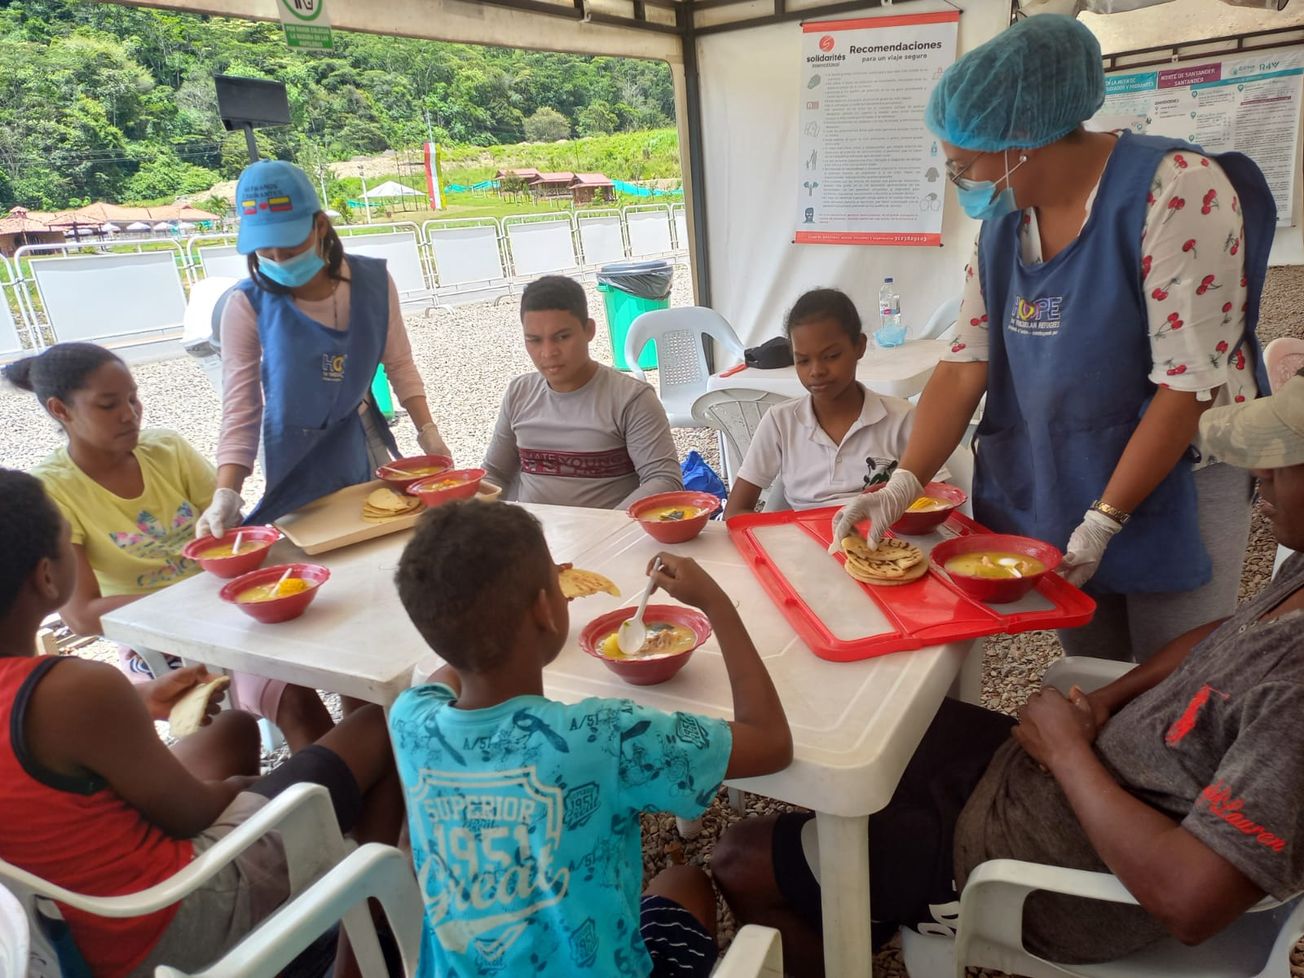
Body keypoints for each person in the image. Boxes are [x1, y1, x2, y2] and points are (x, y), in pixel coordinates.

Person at [714, 371, 1304, 978]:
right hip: (1058, 779)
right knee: (873, 724)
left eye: (1281, 465)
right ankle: (864, 902)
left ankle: (863, 912)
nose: (1260, 483)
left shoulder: (1296, 700)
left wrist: (1070, 751)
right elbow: (1224, 633)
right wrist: (1108, 701)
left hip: (1037, 873)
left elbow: (1191, 900)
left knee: (739, 857)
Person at [831, 15, 1275, 662]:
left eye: (962, 163)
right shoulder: (1008, 223)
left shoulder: (1175, 190)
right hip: (1064, 468)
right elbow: (963, 367)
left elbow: (1187, 389)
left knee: (1170, 679)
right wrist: (903, 484)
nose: (957, 178)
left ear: (1021, 142)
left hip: (1182, 473)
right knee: (1091, 670)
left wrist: (1104, 519)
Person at [0, 468, 404, 978]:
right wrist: (247, 787)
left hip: (72, 929)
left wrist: (138, 700)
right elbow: (189, 814)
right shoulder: (72, 689)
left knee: (233, 727)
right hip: (168, 920)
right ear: (47, 576)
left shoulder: (54, 695)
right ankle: (358, 959)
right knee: (381, 725)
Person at [388, 501, 792, 978]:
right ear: (545, 608)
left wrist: (516, 613)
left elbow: (454, 659)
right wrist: (715, 602)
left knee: (672, 880)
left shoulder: (410, 719)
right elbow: (770, 742)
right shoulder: (602, 737)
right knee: (686, 882)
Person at [4, 343, 334, 752]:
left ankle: (333, 805)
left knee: (327, 674)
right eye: (108, 405)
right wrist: (201, 598)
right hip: (159, 643)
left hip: (231, 614)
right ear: (60, 410)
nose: (130, 413)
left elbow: (233, 537)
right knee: (280, 710)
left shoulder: (167, 450)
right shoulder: (53, 489)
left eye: (133, 397)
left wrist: (237, 527)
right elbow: (83, 616)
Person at [202, 159, 450, 531]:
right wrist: (226, 493)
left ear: (320, 225)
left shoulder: (373, 284)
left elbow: (399, 364)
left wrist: (428, 432)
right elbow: (242, 408)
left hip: (363, 436)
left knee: (383, 533)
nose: (277, 260)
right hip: (292, 451)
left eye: (288, 247)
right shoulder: (246, 305)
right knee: (313, 546)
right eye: (264, 252)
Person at [724, 289, 946, 519]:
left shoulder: (901, 418)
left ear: (859, 346)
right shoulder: (780, 422)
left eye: (831, 356)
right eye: (803, 360)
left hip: (884, 546)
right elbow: (735, 512)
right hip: (802, 546)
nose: (816, 371)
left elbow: (942, 501)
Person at [481, 275, 683, 509]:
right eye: (534, 340)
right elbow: (494, 474)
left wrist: (606, 526)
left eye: (562, 337)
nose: (548, 353)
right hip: (531, 537)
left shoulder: (632, 398)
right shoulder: (519, 393)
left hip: (610, 538)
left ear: (589, 330)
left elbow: (664, 480)